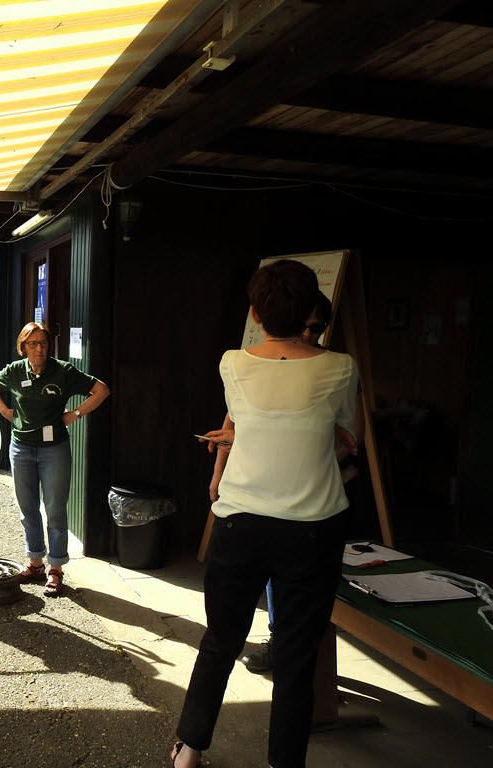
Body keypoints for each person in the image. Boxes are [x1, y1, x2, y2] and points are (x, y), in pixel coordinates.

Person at [172, 260, 359, 768]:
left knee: (220, 640)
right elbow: (346, 442)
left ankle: (188, 750)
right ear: (310, 311)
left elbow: (245, 424)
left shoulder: (233, 364)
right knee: (297, 656)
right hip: (313, 529)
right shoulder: (340, 368)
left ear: (256, 313)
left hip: (241, 523)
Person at [0, 322, 110, 597]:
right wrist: (4, 410)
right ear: (23, 347)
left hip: (54, 450)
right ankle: (35, 563)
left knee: (54, 510)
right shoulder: (15, 371)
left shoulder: (63, 371)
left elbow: (101, 390)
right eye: (33, 344)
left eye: (43, 343)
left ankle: (56, 568)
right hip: (21, 448)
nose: (39, 349)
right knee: (27, 508)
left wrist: (75, 414)